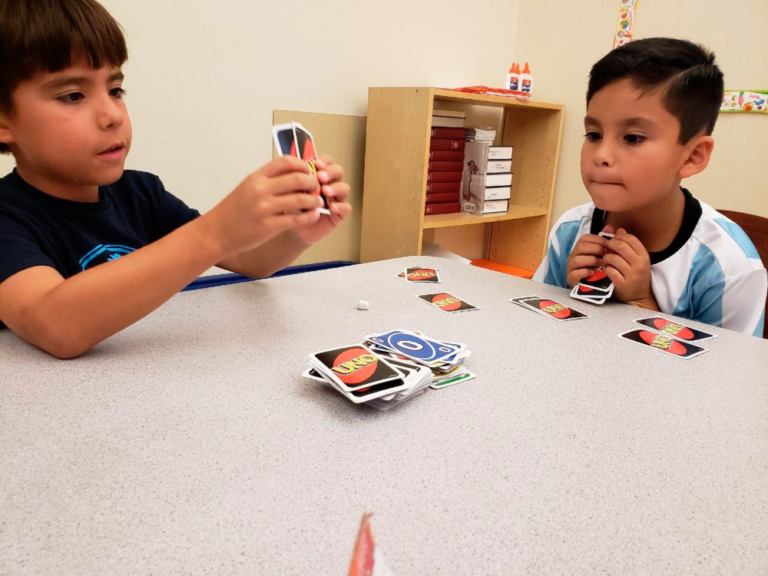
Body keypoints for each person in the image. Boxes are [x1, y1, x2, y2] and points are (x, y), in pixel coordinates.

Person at [0, 0, 352, 358]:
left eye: (115, 90)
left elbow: (251, 263)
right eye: (73, 95)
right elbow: (55, 327)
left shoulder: (142, 193)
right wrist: (215, 231)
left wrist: (297, 233)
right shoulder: (7, 216)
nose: (111, 116)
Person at [533, 37, 766, 337]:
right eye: (593, 133)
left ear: (693, 156)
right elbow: (538, 334)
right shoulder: (569, 231)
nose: (601, 155)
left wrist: (641, 303)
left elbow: (726, 379)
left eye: (632, 138)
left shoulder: (728, 268)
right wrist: (566, 295)